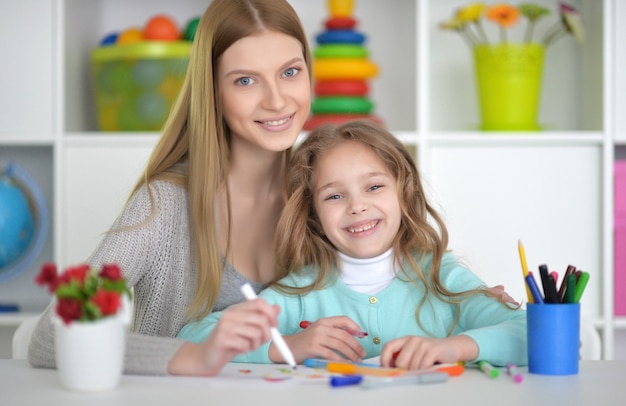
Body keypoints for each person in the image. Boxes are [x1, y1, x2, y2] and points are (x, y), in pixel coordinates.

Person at [28, 0, 312, 376]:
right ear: (212, 91)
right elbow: (50, 335)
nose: (277, 100)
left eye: (290, 72)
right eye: (245, 80)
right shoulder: (165, 205)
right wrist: (194, 356)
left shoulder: (322, 194)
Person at [179, 120, 528, 370]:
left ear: (403, 194)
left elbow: (535, 334)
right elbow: (195, 335)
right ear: (313, 214)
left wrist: (450, 348)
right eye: (334, 195)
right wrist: (287, 346)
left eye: (374, 187)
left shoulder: (441, 277)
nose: (357, 206)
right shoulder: (301, 292)